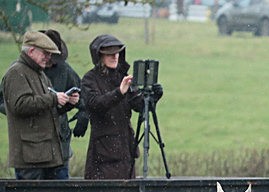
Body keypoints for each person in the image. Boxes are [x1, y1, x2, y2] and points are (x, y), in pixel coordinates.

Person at [1, 31, 80, 180]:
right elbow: (20, 105)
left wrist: (68, 103)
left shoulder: (39, 74)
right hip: (29, 159)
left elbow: (48, 109)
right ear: (31, 51)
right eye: (45, 53)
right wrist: (54, 98)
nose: (49, 58)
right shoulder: (16, 73)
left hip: (45, 156)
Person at [81, 34, 155, 180]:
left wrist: (151, 97)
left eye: (117, 53)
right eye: (109, 54)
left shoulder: (123, 77)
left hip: (126, 151)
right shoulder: (90, 79)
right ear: (99, 56)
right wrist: (119, 92)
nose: (115, 57)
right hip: (103, 155)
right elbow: (96, 104)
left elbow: (139, 106)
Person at [40, 29, 83, 180]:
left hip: (60, 145)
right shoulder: (23, 72)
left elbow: (83, 95)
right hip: (32, 147)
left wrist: (80, 109)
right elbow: (8, 102)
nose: (50, 60)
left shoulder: (64, 70)